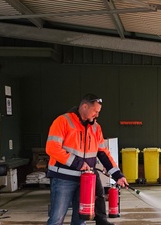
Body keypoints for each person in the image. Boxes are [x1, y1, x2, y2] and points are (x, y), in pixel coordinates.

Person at [46, 94, 128, 225]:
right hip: (63, 179)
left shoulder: (96, 128)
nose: (97, 115)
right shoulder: (63, 121)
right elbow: (52, 148)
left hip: (85, 180)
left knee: (81, 219)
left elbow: (103, 154)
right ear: (84, 107)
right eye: (95, 111)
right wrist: (77, 163)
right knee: (57, 218)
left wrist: (117, 175)